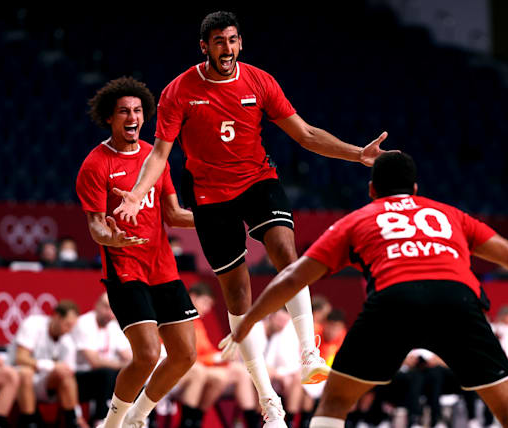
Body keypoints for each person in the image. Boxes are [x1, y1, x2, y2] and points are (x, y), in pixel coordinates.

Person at [112, 12, 394, 425]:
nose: (226, 48)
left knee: (285, 250)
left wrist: (358, 155)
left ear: (240, 42)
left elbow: (305, 134)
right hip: (209, 195)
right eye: (218, 41)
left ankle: (308, 352)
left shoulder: (260, 81)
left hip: (258, 180)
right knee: (238, 293)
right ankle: (268, 400)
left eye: (232, 40)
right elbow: (159, 154)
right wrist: (138, 194)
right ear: (204, 47)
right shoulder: (179, 91)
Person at [230, 152, 508, 428]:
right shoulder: (449, 214)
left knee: (335, 402)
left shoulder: (356, 220)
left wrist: (248, 320)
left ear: (371, 190)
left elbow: (293, 277)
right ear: (415, 189)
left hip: (394, 301)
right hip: (457, 300)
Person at [76, 76, 199, 428]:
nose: (132, 117)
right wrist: (111, 239)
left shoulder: (154, 157)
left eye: (138, 110)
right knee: (147, 354)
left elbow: (173, 214)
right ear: (109, 118)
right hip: (125, 268)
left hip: (162, 267)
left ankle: (137, 418)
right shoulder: (96, 164)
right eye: (124, 112)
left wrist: (220, 220)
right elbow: (95, 226)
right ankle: (112, 424)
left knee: (185, 355)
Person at [177, 283, 261, 428]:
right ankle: (189, 421)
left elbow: (206, 350)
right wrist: (217, 358)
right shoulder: (180, 319)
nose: (207, 309)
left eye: (209, 305)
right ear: (192, 297)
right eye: (205, 303)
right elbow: (186, 353)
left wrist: (223, 355)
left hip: (202, 364)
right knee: (205, 373)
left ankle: (252, 422)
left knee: (238, 371)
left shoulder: (198, 322)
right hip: (185, 367)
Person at [12, 300, 82, 428]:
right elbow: (20, 358)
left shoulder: (69, 341)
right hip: (15, 379)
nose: (69, 330)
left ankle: (73, 421)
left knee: (65, 375)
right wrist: (51, 366)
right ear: (56, 316)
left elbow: (70, 376)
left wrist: (79, 415)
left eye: (72, 326)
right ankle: (30, 422)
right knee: (26, 373)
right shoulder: (33, 324)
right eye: (67, 324)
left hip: (45, 385)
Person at [72, 293, 132, 425]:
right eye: (106, 307)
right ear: (97, 305)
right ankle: (101, 419)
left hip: (104, 376)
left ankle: (136, 420)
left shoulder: (113, 326)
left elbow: (128, 355)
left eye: (113, 310)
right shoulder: (84, 323)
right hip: (79, 377)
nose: (109, 314)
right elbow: (94, 362)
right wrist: (124, 365)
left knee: (134, 375)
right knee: (108, 374)